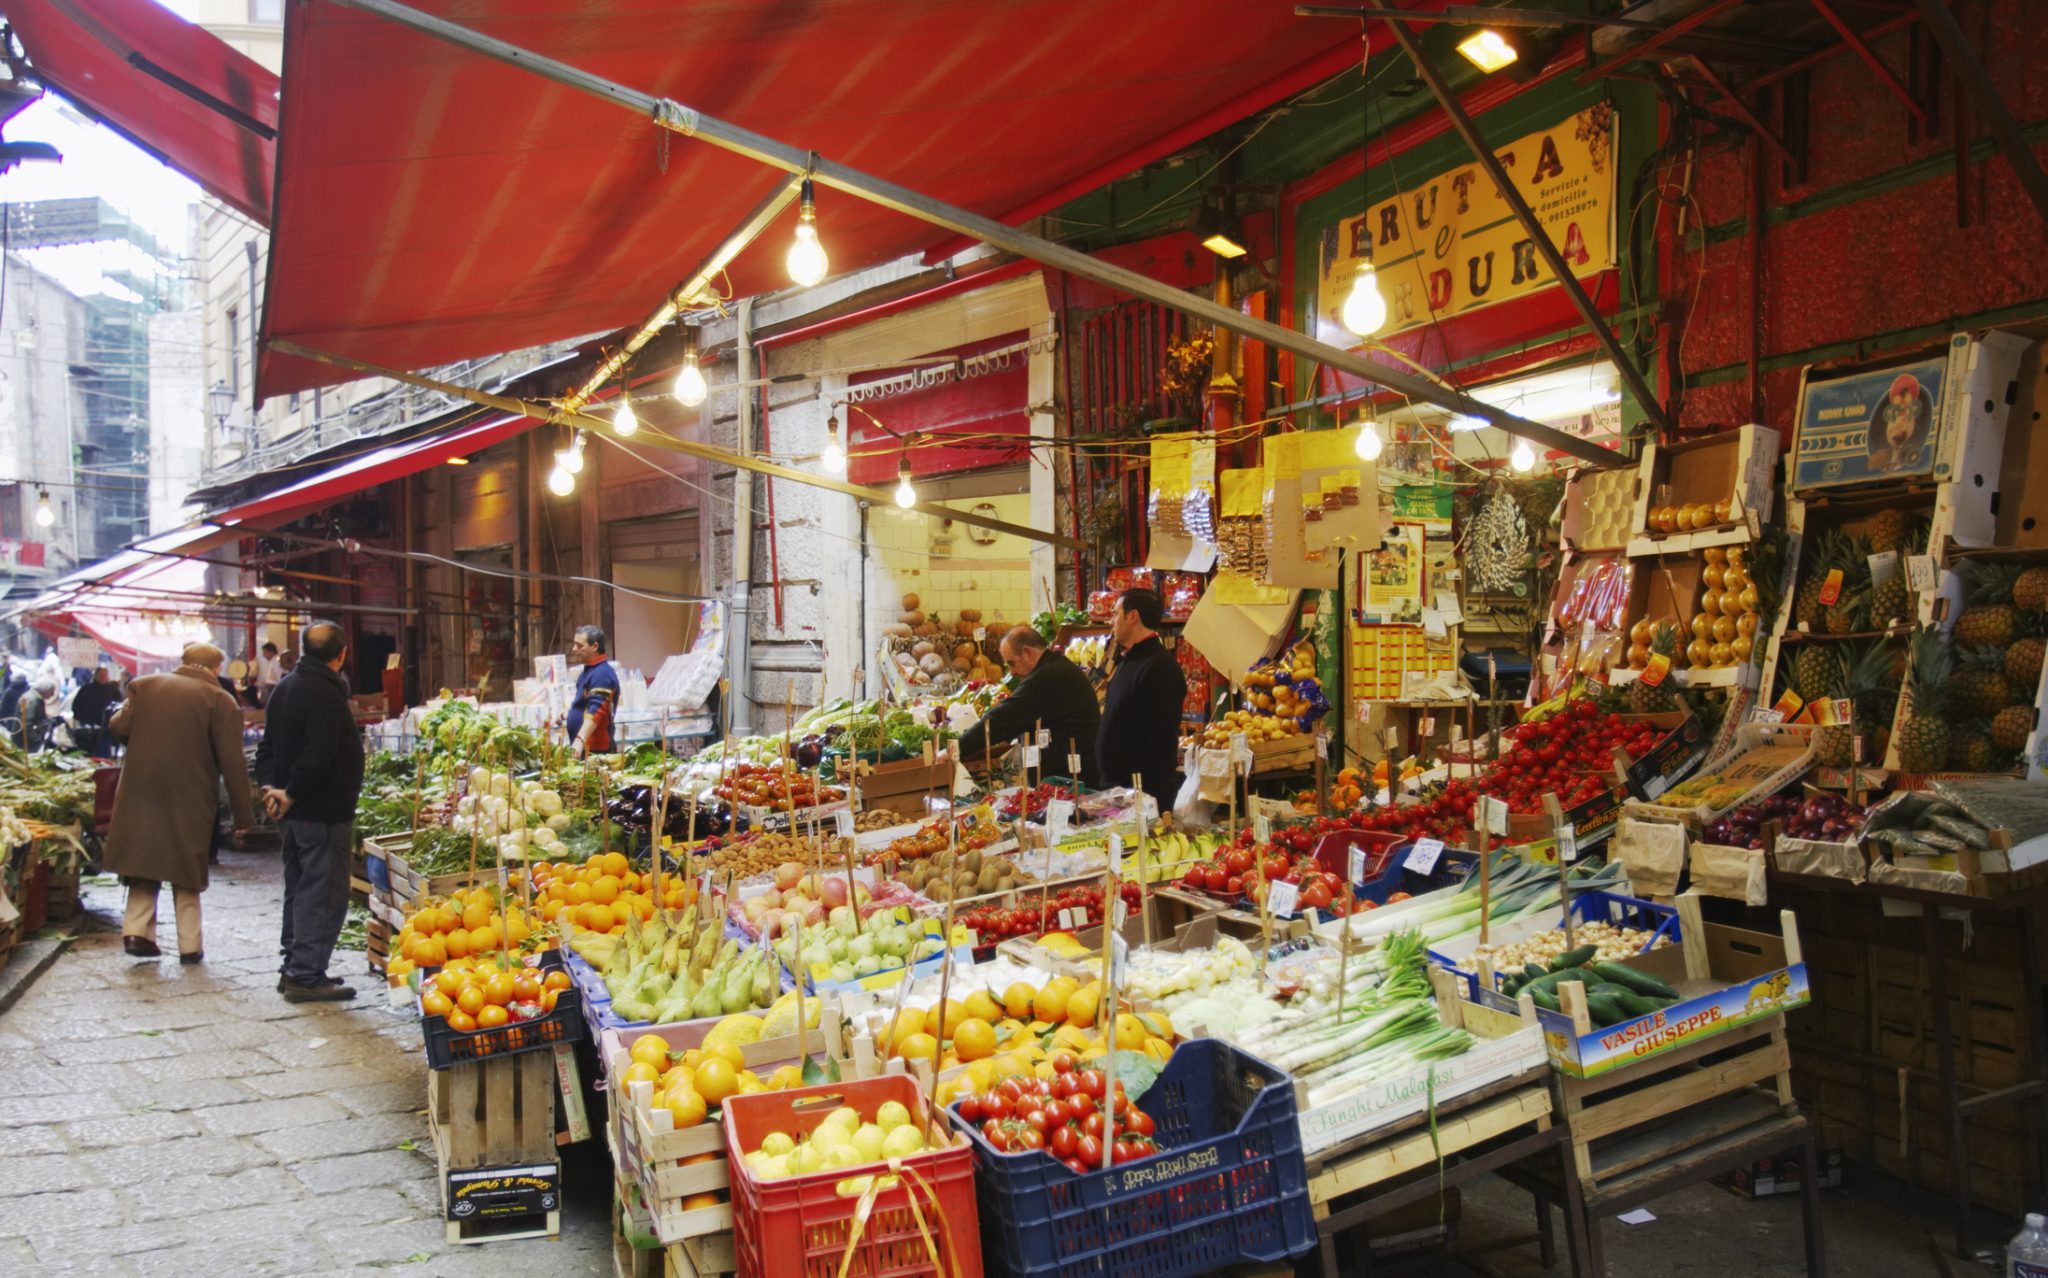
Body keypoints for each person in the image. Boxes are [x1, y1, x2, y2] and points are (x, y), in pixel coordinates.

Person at [101, 643, 255, 963]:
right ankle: (189, 944)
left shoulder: (146, 685)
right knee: (186, 867)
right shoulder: (220, 701)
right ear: (215, 669)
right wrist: (244, 816)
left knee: (143, 859)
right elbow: (233, 762)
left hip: (141, 789)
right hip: (191, 792)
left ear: (183, 662)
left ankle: (136, 931)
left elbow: (117, 726)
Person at [254, 621, 366, 1002]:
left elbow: (266, 749)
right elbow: (318, 756)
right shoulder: (325, 693)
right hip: (322, 812)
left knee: (300, 888)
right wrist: (291, 792)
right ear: (342, 653)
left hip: (294, 812)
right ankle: (305, 974)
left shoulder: (284, 688)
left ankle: (295, 967)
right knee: (323, 892)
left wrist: (272, 789)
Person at [954, 626, 1099, 785]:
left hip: (1071, 783)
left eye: (1011, 663)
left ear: (1027, 652)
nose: (1012, 672)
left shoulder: (1048, 677)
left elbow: (1002, 719)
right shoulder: (1056, 667)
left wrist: (957, 748)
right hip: (1068, 777)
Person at [1096, 587, 1188, 816]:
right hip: (1119, 791)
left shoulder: (1159, 667)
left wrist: (1144, 797)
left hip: (1141, 796)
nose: (1111, 621)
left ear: (1133, 616)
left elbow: (1161, 740)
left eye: (1116, 613)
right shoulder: (1130, 659)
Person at [567, 624, 619, 757]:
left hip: (595, 751)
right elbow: (584, 704)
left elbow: (596, 710)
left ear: (595, 646)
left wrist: (580, 740)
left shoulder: (601, 674)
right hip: (586, 748)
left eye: (579, 646)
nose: (574, 649)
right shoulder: (589, 671)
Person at [71, 668, 121, 755]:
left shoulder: (113, 691)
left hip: (107, 731)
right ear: (96, 676)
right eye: (101, 675)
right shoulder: (86, 689)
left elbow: (119, 708)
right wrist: (83, 721)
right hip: (88, 732)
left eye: (105, 675)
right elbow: (76, 707)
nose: (103, 677)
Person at [17, 675, 56, 751]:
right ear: (45, 690)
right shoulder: (32, 701)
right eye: (51, 692)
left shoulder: (34, 698)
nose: (52, 695)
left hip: (26, 741)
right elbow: (26, 724)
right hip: (25, 742)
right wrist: (37, 738)